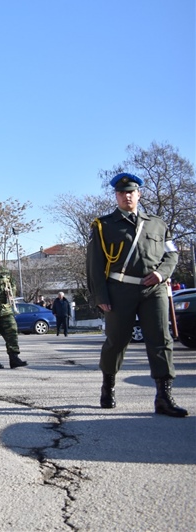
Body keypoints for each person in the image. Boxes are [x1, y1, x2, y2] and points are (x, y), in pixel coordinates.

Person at [86, 172, 187, 417]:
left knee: (161, 340)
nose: (126, 196)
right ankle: (108, 386)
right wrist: (100, 296)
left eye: (130, 192)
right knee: (117, 341)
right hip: (120, 290)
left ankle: (164, 397)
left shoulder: (158, 224)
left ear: (139, 194)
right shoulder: (103, 225)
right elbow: (94, 264)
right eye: (121, 193)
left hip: (154, 289)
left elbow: (172, 254)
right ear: (116, 196)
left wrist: (162, 273)